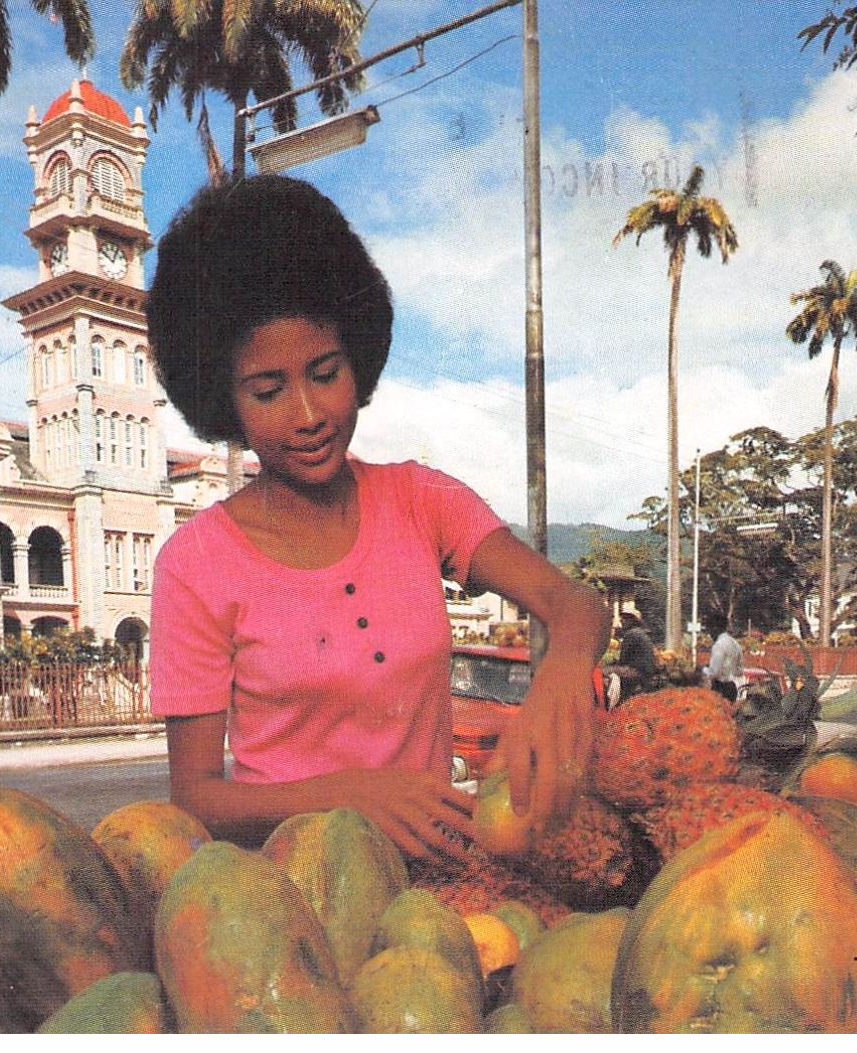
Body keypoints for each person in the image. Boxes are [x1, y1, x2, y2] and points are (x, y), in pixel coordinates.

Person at [145, 175, 610, 863]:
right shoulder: (194, 564)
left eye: (325, 372)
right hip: (285, 898)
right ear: (224, 401)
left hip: (438, 876)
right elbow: (196, 796)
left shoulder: (422, 502)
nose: (308, 415)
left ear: (358, 360)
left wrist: (565, 668)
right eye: (268, 390)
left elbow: (572, 603)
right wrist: (348, 794)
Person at [613, 612, 660, 695]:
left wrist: (614, 663)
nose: (622, 621)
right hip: (647, 671)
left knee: (606, 672)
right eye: (622, 618)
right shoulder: (640, 632)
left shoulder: (631, 634)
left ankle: (616, 700)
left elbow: (623, 659)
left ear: (632, 621)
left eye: (625, 618)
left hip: (638, 671)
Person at [706, 621, 743, 703]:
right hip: (733, 688)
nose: (709, 634)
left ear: (715, 628)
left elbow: (715, 672)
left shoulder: (719, 645)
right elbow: (740, 671)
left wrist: (703, 670)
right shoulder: (735, 643)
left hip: (720, 689)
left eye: (710, 630)